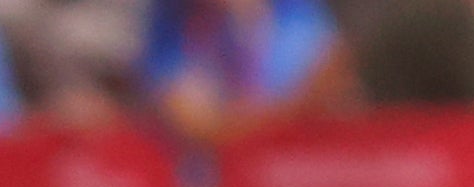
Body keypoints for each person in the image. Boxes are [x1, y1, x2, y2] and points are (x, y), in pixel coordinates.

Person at [140, 0, 344, 130]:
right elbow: (184, 114)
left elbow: (324, 76)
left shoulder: (293, 12)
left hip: (290, 168)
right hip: (203, 177)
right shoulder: (168, 16)